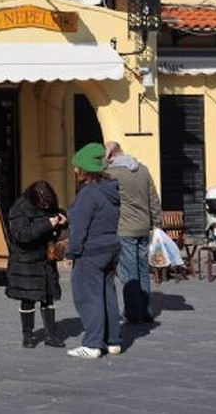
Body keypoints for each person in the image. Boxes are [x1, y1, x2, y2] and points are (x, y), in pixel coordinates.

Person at [66, 142, 122, 358]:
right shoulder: (111, 190)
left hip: (91, 251)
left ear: (84, 169)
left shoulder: (88, 195)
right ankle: (113, 340)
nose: (74, 170)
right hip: (111, 247)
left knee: (88, 296)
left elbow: (79, 229)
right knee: (108, 294)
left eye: (76, 166)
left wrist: (72, 253)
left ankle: (92, 343)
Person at [105, 141, 162, 324]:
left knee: (130, 272)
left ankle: (133, 312)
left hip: (125, 228)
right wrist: (156, 222)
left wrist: (105, 162)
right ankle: (145, 310)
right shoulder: (143, 170)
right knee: (143, 269)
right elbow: (153, 198)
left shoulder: (112, 173)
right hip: (143, 226)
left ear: (110, 155)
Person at [6, 180, 67, 348]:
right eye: (43, 203)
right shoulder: (19, 209)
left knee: (48, 297)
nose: (46, 206)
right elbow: (22, 235)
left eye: (48, 203)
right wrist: (47, 224)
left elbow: (58, 213)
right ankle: (28, 336)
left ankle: (51, 335)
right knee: (28, 299)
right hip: (26, 261)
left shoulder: (49, 206)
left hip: (46, 259)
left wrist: (63, 219)